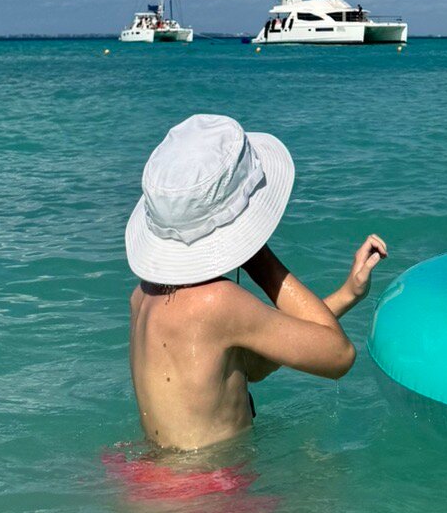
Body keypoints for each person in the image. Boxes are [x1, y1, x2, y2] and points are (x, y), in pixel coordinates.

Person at [124, 112, 386, 452]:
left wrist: (347, 295)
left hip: (153, 477)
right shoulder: (217, 302)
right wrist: (258, 259)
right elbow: (338, 356)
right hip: (209, 494)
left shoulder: (143, 296)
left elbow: (255, 366)